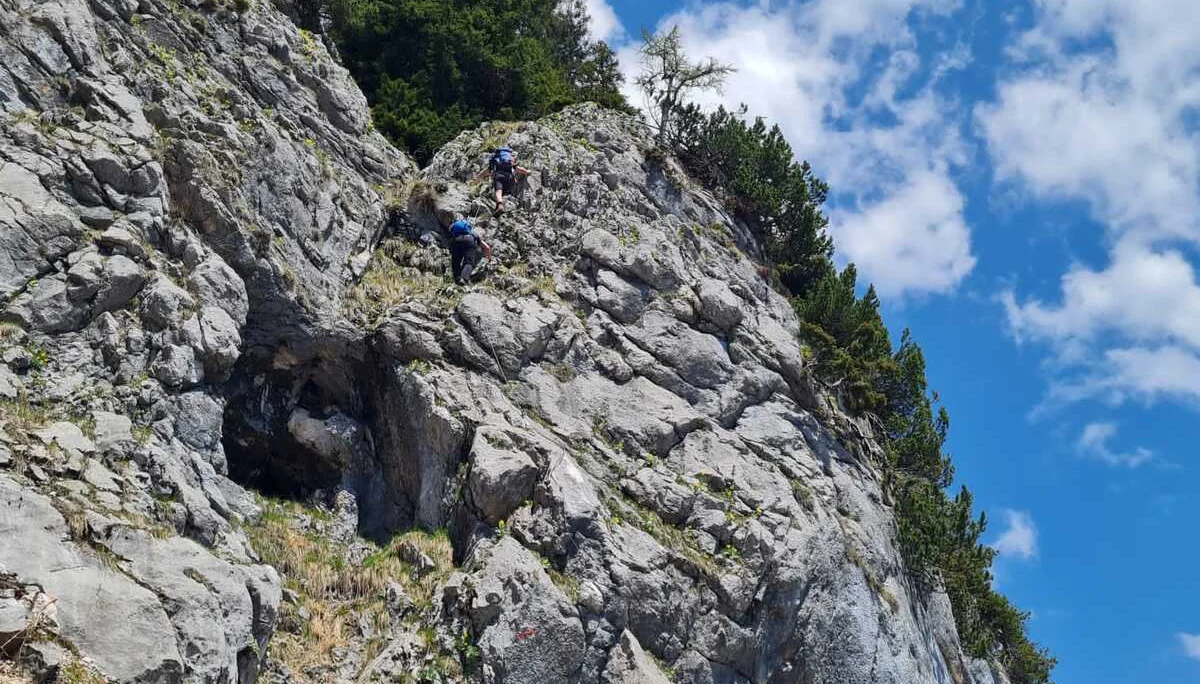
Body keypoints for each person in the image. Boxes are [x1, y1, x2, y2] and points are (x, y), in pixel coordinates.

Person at [473, 145, 529, 215]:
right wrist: (526, 172)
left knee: (498, 191)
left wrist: (478, 177)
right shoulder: (510, 158)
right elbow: (517, 168)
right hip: (510, 178)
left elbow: (488, 171)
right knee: (504, 193)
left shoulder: (495, 158)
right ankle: (500, 208)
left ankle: (500, 205)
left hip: (499, 176)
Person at [447, 217, 492, 285]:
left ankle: (457, 279)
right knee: (469, 261)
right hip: (469, 240)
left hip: (455, 241)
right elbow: (487, 247)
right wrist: (489, 258)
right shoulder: (472, 233)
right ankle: (464, 279)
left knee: (455, 262)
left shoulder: (454, 232)